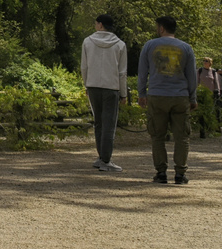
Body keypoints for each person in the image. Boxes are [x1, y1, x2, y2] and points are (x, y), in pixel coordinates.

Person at [137, 16, 199, 185]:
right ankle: (180, 173)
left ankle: (161, 172)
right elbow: (192, 76)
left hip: (157, 94)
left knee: (157, 136)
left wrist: (142, 93)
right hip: (179, 95)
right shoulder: (186, 48)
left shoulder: (149, 45)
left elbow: (142, 73)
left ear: (162, 28)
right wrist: (192, 97)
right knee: (182, 137)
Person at [81, 14, 127, 171]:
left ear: (100, 25)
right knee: (109, 123)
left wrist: (87, 84)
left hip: (93, 85)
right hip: (111, 86)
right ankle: (106, 159)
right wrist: (123, 93)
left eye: (96, 23)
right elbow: (122, 72)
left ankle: (101, 156)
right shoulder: (120, 44)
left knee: (98, 122)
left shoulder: (88, 41)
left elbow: (84, 67)